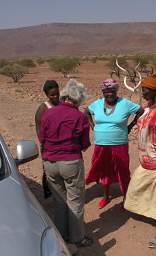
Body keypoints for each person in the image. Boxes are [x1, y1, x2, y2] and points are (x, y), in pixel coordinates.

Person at [124, 74, 156, 248]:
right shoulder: (148, 106)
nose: (143, 93)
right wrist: (129, 126)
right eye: (142, 89)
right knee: (135, 187)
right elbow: (140, 119)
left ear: (155, 91)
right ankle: (148, 212)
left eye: (145, 90)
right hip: (146, 160)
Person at [39, 79, 93, 247]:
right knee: (75, 201)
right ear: (78, 99)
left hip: (50, 162)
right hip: (70, 162)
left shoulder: (48, 113)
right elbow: (84, 144)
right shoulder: (79, 116)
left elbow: (42, 137)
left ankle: (62, 236)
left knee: (59, 200)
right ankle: (77, 238)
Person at [85, 79, 143, 209]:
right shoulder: (97, 104)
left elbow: (141, 110)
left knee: (122, 169)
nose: (109, 94)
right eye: (106, 92)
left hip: (119, 143)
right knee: (104, 169)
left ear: (116, 91)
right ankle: (106, 196)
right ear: (103, 92)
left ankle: (126, 198)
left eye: (112, 91)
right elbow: (87, 112)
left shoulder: (125, 104)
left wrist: (131, 126)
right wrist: (93, 126)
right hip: (100, 144)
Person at [35, 80, 60, 198]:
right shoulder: (43, 108)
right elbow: (39, 130)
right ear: (47, 95)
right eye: (52, 95)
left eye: (57, 94)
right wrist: (45, 145)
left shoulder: (62, 105)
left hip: (62, 144)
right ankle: (50, 195)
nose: (55, 97)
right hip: (48, 145)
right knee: (49, 170)